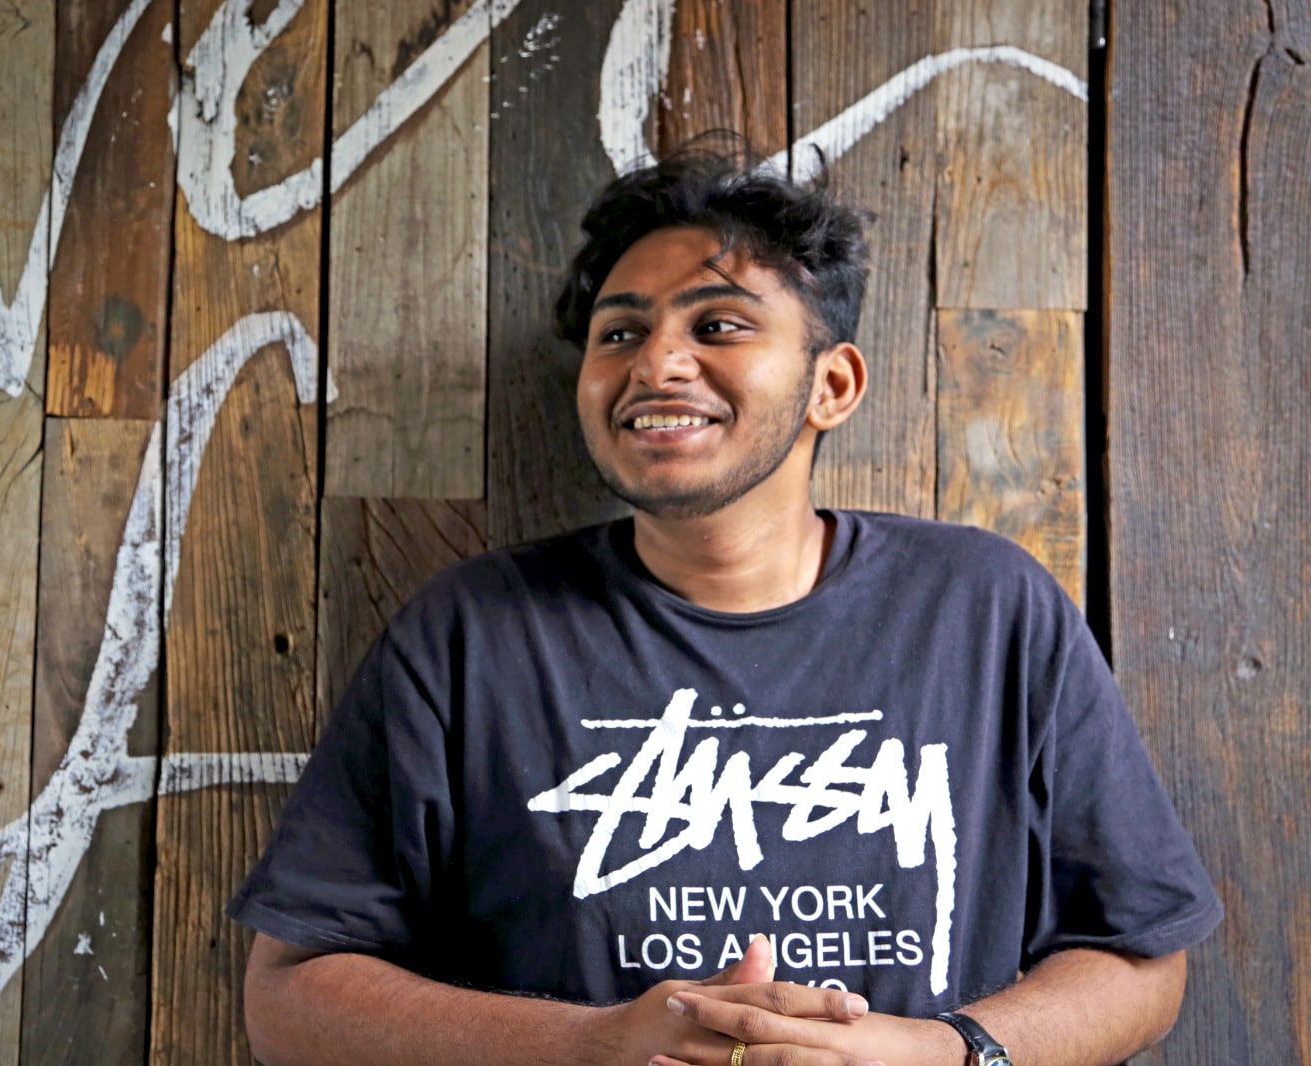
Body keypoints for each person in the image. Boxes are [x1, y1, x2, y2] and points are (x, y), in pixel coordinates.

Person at [231, 141, 1222, 1066]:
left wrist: (937, 1051)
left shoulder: (988, 607)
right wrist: (597, 1042)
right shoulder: (470, 631)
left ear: (831, 383)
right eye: (619, 332)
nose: (655, 362)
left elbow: (1140, 956)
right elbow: (290, 991)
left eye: (718, 326)